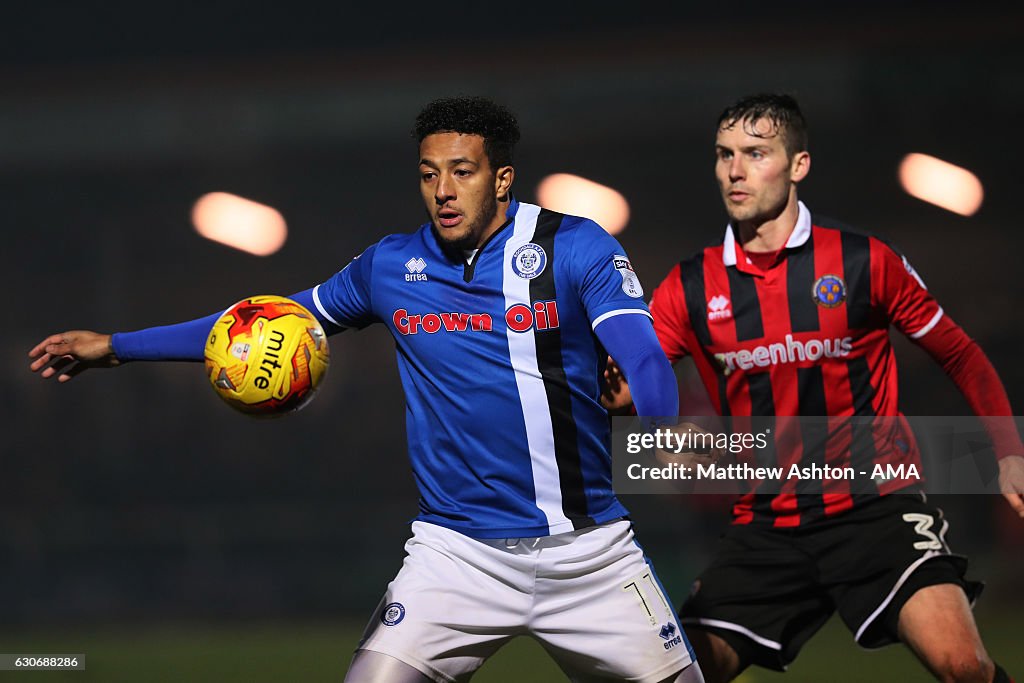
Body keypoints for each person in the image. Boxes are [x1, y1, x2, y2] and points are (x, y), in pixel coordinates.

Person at [28, 96, 705, 683]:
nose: (442, 189)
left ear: (502, 179)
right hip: (456, 554)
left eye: (461, 172)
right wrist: (116, 347)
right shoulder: (391, 266)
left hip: (586, 553)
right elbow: (256, 319)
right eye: (428, 174)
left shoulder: (577, 247)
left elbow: (645, 357)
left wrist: (655, 419)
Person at [603, 93, 1024, 683]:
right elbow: (630, 385)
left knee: (965, 668)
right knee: (677, 676)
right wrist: (619, 403)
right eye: (724, 154)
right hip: (767, 522)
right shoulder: (689, 286)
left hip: (875, 511)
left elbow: (960, 352)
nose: (735, 170)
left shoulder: (863, 262)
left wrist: (1008, 452)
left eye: (756, 153)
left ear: (799, 164)